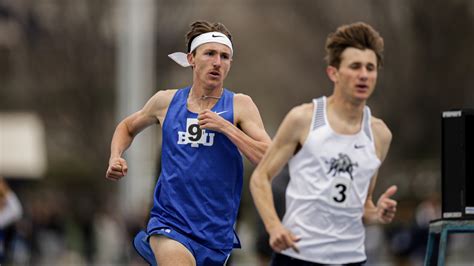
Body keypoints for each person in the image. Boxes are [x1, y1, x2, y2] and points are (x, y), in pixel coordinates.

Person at [105, 20, 271, 266]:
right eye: (210, 54)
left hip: (216, 232)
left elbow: (269, 157)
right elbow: (127, 127)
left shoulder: (240, 106)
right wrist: (116, 156)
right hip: (170, 222)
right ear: (191, 58)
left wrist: (226, 127)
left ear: (230, 64)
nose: (217, 62)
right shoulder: (165, 101)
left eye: (224, 56)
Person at [250, 22, 398, 266]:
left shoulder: (380, 135)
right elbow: (260, 178)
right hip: (298, 255)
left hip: (351, 259)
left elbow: (362, 206)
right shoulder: (304, 119)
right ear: (334, 73)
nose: (363, 75)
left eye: (370, 68)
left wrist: (377, 212)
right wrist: (274, 227)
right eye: (355, 66)